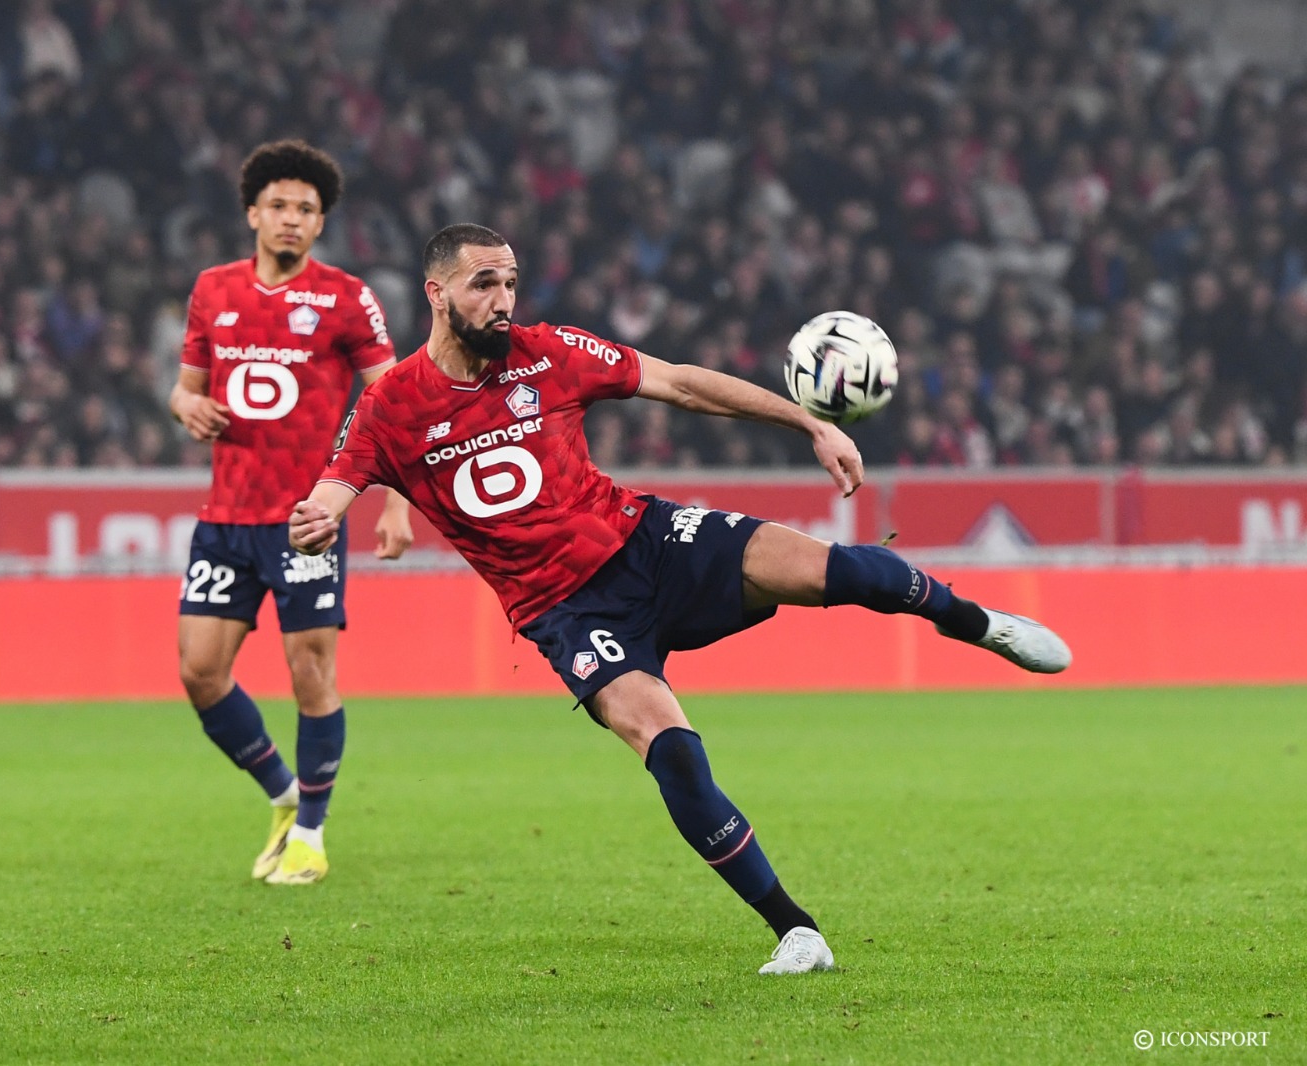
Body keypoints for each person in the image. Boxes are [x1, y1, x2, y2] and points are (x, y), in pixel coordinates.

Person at [289, 223, 1071, 971]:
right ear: (436, 292)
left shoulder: (549, 351)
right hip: (567, 612)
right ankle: (796, 930)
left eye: (512, 283)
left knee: (843, 572)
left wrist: (809, 424)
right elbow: (334, 487)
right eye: (484, 283)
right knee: (674, 755)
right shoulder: (392, 404)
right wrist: (318, 518)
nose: (503, 299)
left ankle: (983, 624)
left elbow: (681, 384)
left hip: (649, 541)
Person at [170, 140, 413, 886]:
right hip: (226, 518)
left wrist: (395, 504)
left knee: (310, 672)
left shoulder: (345, 297)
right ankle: (283, 795)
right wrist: (188, 406)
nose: (291, 219)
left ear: (319, 223)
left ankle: (310, 832)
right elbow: (185, 387)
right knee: (199, 672)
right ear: (252, 212)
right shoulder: (213, 289)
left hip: (305, 518)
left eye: (306, 209)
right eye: (278, 205)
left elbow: (398, 402)